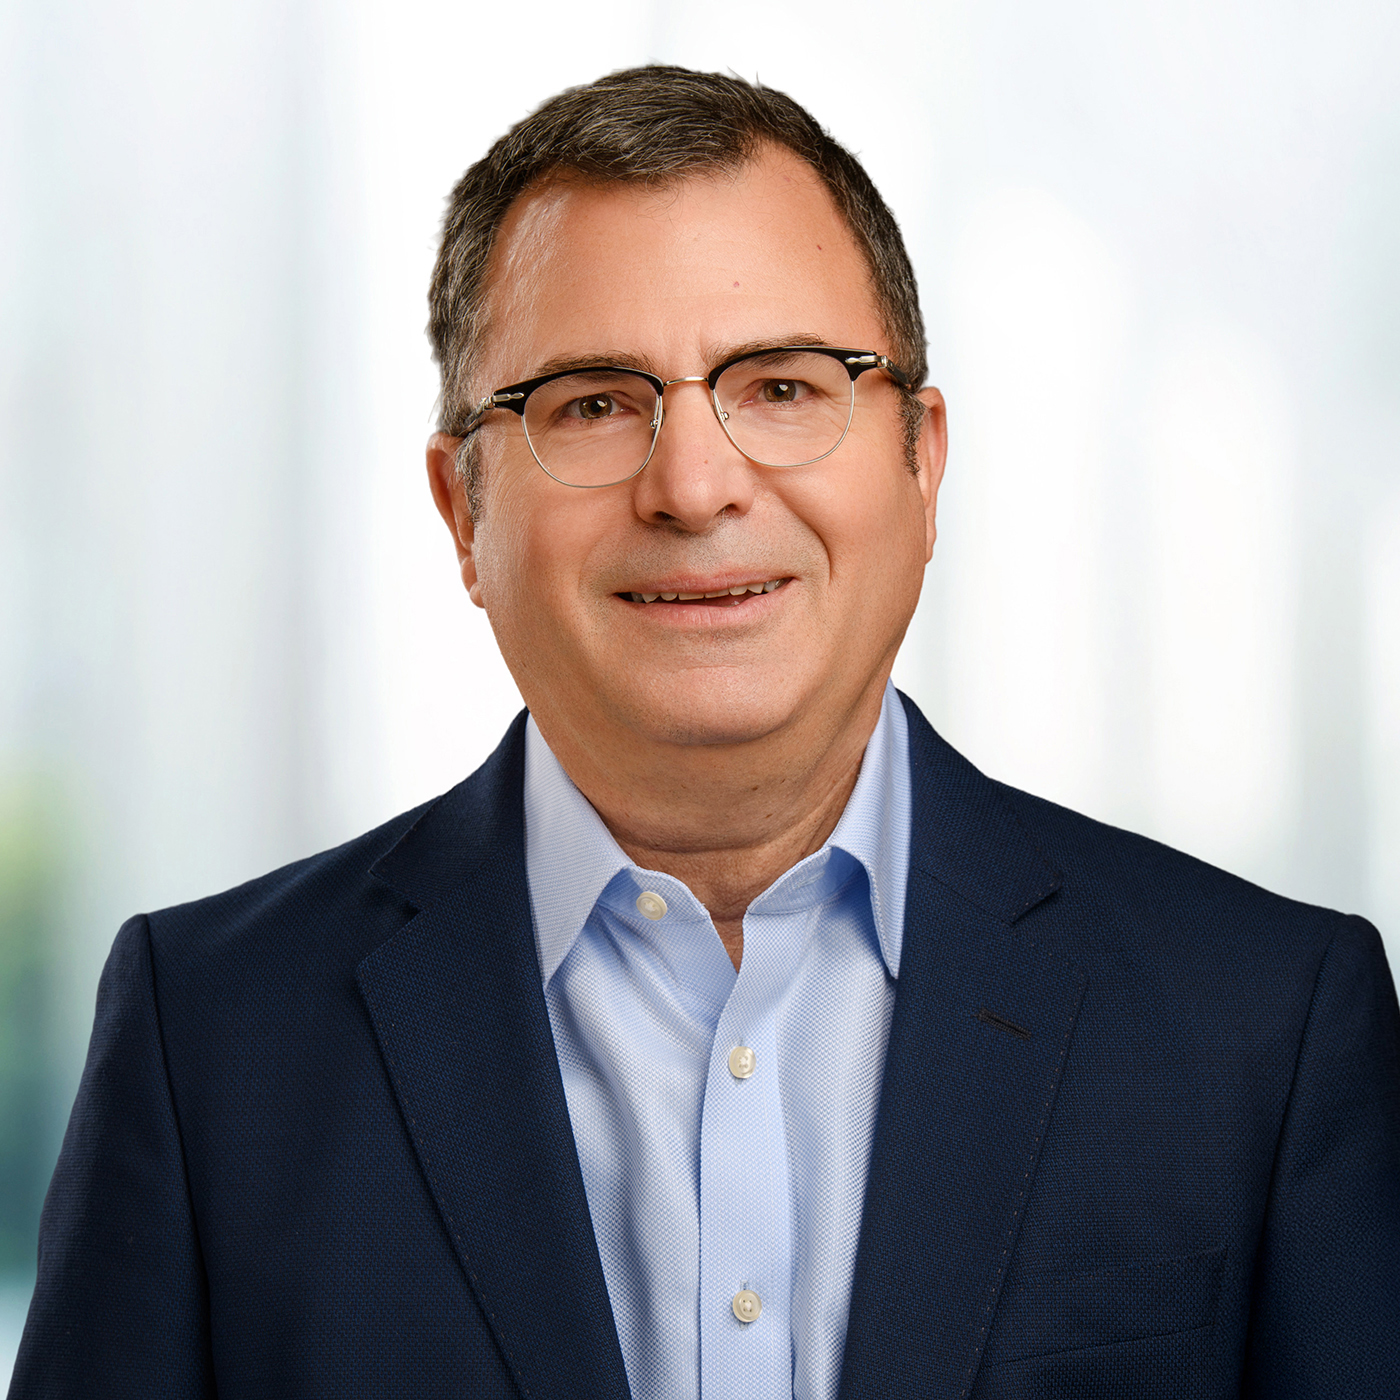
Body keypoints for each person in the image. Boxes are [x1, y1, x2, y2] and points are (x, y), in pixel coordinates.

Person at [11, 65, 1399, 1400]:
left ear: (923, 462)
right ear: (463, 514)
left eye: (785, 386)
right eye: (595, 403)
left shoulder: (1267, 1028)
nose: (692, 483)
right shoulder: (211, 1047)